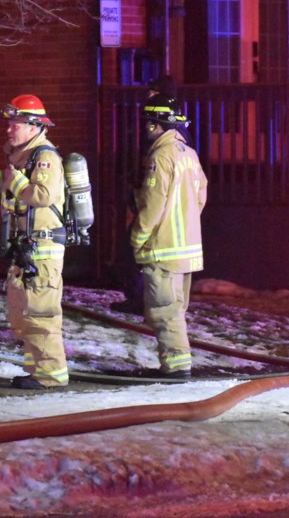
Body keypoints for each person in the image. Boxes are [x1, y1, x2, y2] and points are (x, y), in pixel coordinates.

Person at [0, 94, 69, 390]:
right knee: (24, 314)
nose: (9, 129)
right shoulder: (23, 157)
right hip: (26, 248)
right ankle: (37, 371)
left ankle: (51, 375)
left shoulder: (45, 157)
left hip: (42, 249)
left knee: (40, 313)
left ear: (34, 126)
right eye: (9, 124)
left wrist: (17, 180)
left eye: (16, 124)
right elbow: (11, 190)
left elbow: (42, 196)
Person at [130, 95, 207, 378]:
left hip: (163, 250)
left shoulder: (160, 157)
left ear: (154, 126)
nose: (146, 130)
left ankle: (175, 369)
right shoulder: (189, 154)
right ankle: (178, 365)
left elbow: (153, 205)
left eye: (148, 124)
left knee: (165, 312)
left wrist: (138, 237)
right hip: (186, 251)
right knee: (175, 311)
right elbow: (200, 197)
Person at [114, 75, 180, 315]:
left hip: (155, 207)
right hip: (156, 204)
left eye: (152, 92)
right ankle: (143, 300)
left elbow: (156, 182)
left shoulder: (162, 130)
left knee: (133, 253)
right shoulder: (171, 129)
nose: (148, 97)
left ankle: (140, 301)